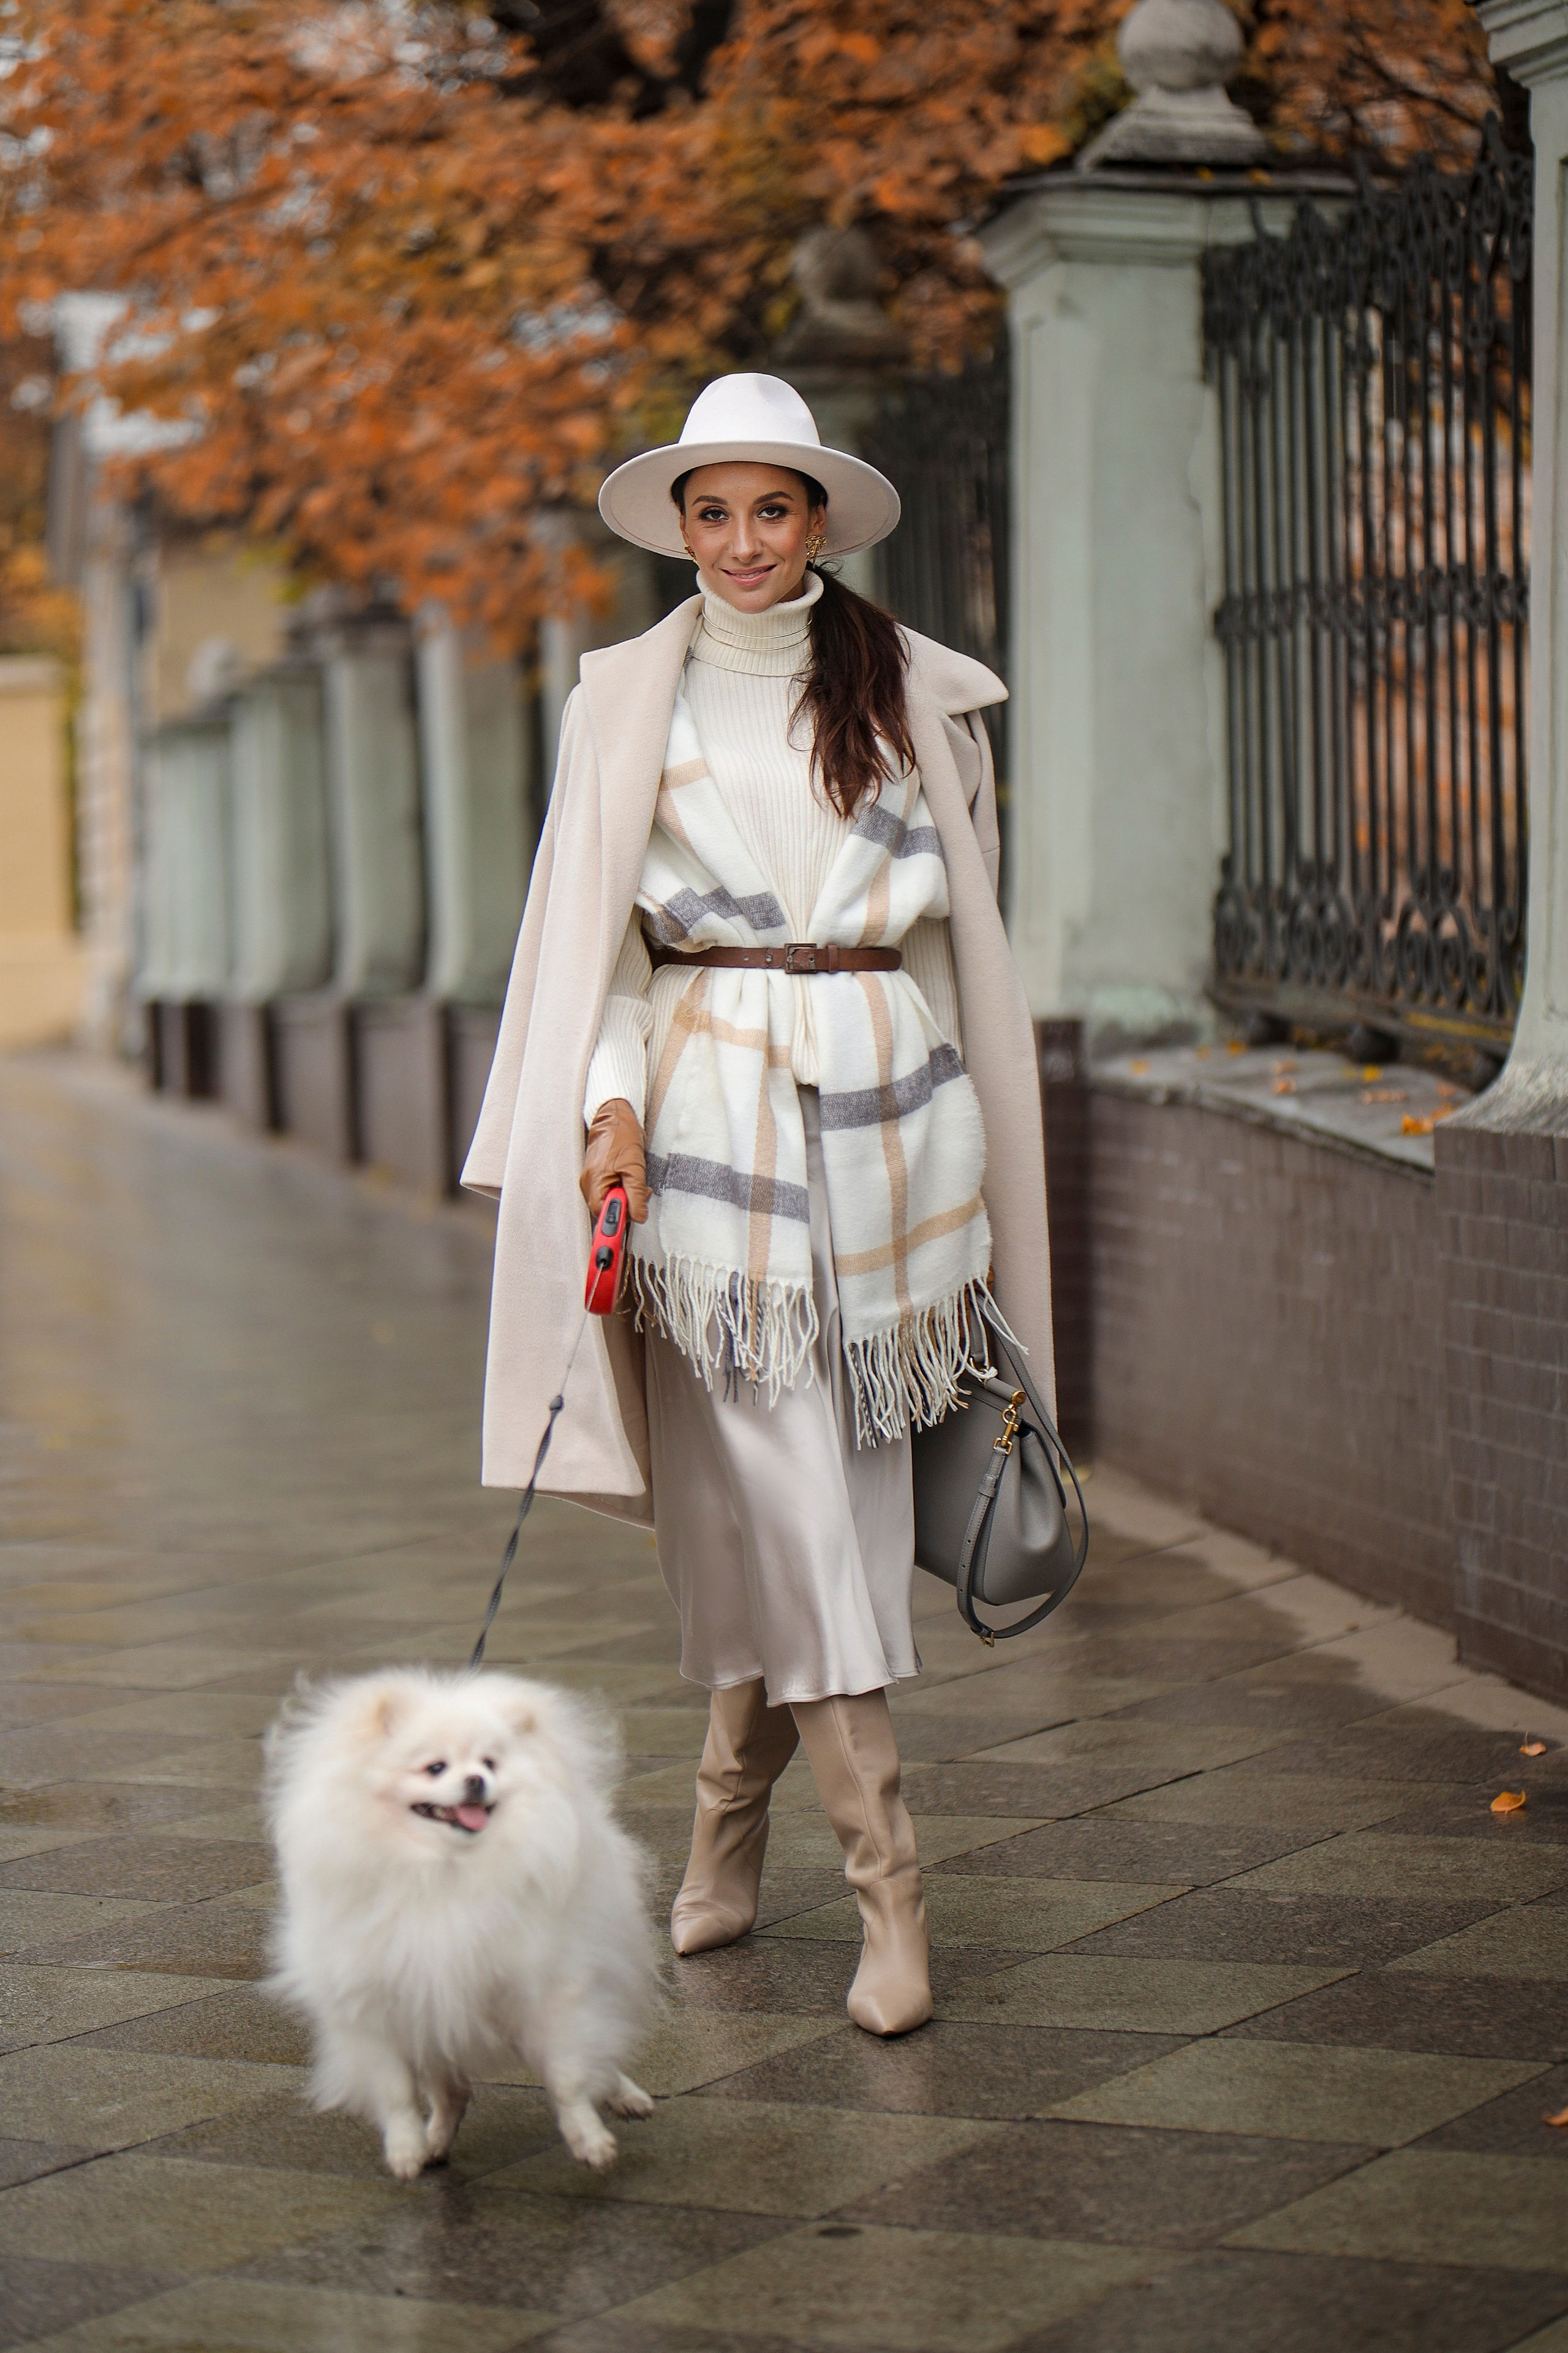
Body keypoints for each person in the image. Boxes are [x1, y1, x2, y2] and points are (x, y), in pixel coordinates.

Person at [464, 373, 1054, 2038]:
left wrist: (966, 1125)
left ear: (817, 520)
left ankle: (726, 1830)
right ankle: (894, 1889)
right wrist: (608, 1113)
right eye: (709, 512)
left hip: (892, 1141)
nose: (738, 541)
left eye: (768, 508)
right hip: (708, 1146)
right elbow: (606, 953)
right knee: (797, 1508)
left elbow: (961, 940)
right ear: (679, 525)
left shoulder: (913, 691)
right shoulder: (621, 705)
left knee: (818, 1521)